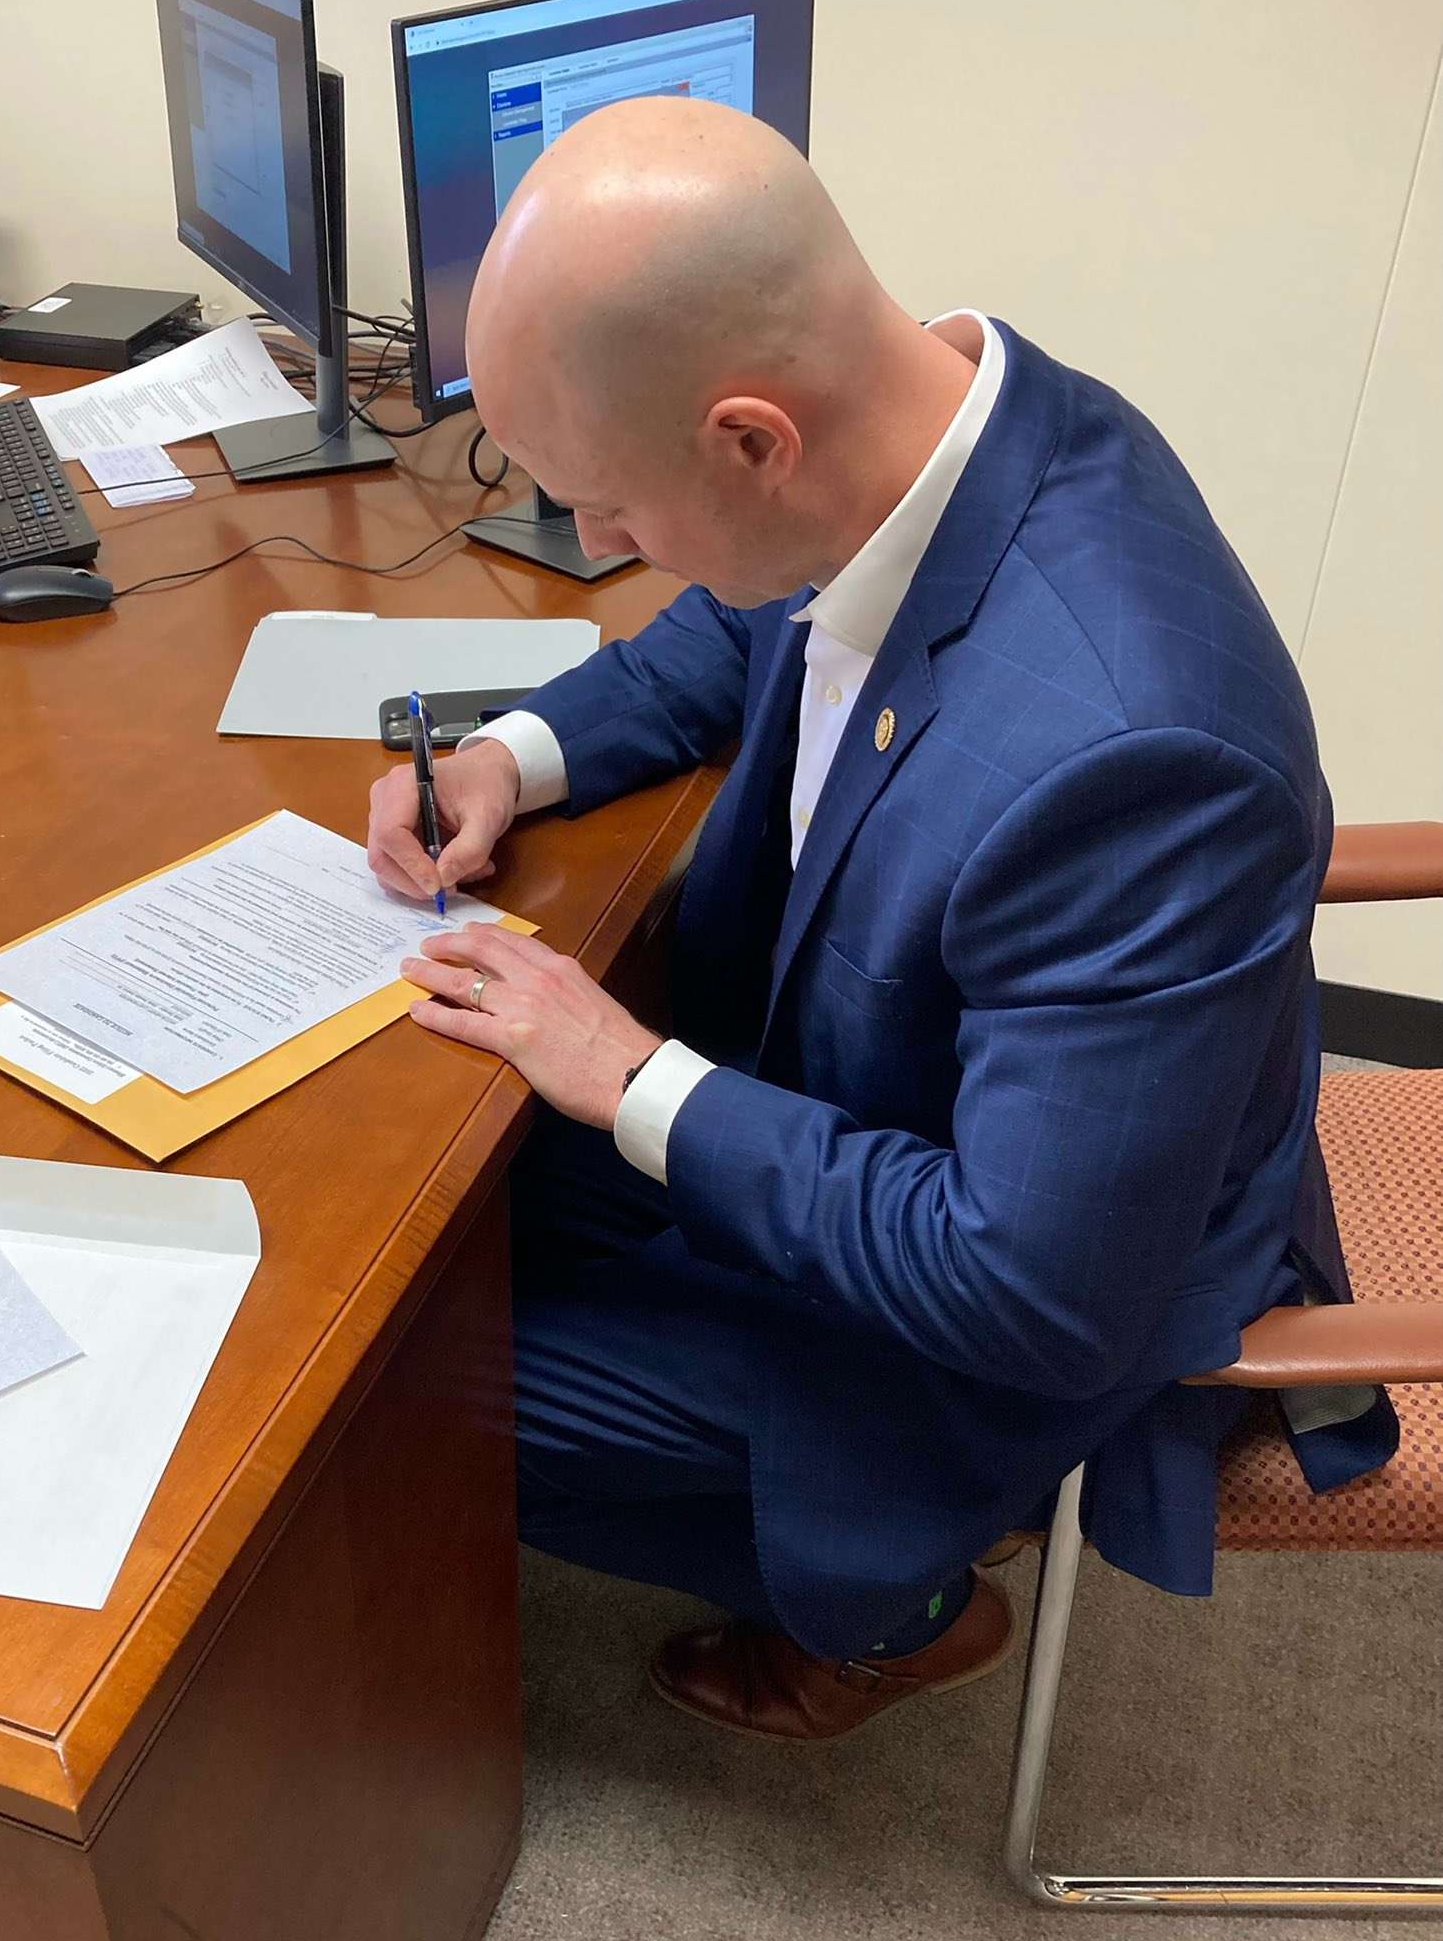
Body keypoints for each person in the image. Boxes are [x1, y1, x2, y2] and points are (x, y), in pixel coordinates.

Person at [365, 99, 1395, 1742]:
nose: (610, 557)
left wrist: (629, 1076)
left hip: (1038, 1276)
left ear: (751, 438)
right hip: (897, 1089)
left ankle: (893, 1609)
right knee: (413, 1208)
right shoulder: (932, 430)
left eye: (612, 508)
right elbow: (739, 629)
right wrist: (510, 752)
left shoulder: (1133, 762)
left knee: (399, 1403)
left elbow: (1032, 1295)